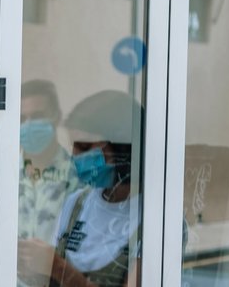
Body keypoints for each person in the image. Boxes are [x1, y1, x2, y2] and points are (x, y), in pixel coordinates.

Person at [18, 90, 143, 287]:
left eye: (85, 147)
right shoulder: (77, 203)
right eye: (73, 146)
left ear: (123, 150)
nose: (75, 156)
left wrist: (58, 267)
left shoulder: (154, 222)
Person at [20, 79, 78, 245]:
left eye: (38, 116)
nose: (28, 125)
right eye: (21, 118)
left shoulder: (78, 177)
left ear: (57, 117)